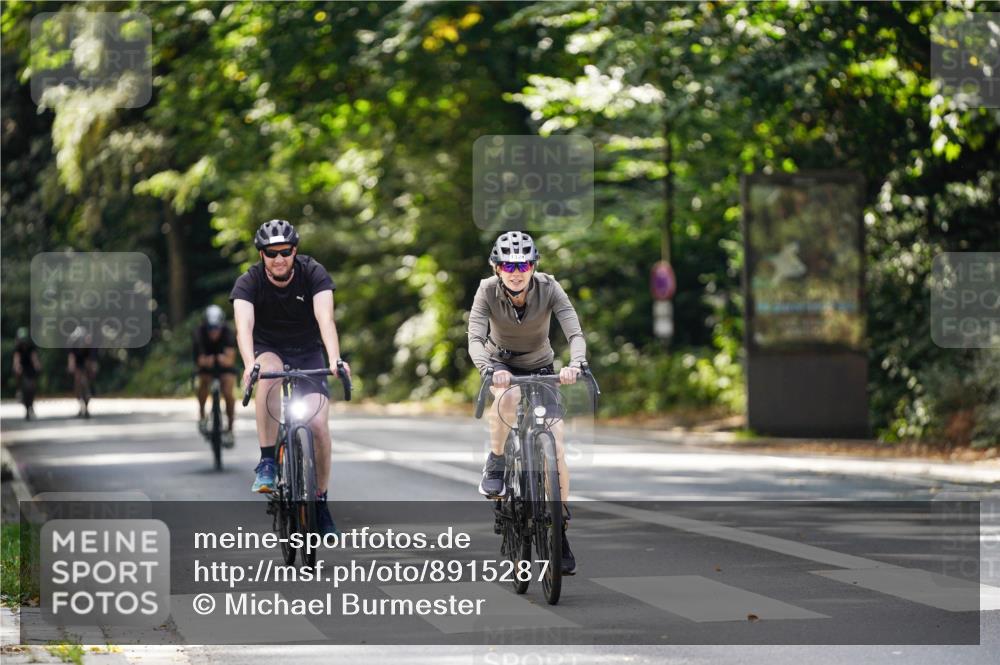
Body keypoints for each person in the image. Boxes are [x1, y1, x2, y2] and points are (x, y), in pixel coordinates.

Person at [467, 231, 587, 575]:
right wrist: (488, 369)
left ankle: (558, 529)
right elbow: (475, 338)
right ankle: (497, 462)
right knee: (510, 396)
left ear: (533, 266)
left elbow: (574, 333)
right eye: (508, 264)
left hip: (542, 365)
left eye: (523, 264)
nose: (516, 270)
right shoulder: (485, 290)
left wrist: (575, 364)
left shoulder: (550, 288)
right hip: (500, 365)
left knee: (557, 439)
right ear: (497, 268)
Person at [230, 219, 350, 536]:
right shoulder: (249, 282)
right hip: (269, 349)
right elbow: (243, 328)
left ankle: (320, 502)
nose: (279, 259)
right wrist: (248, 365)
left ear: (294, 251)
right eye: (271, 253)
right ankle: (268, 461)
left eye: (285, 252)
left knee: (318, 424)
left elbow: (326, 319)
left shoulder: (313, 273)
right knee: (267, 372)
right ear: (262, 256)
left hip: (308, 351)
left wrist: (335, 358)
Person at [193, 304, 238, 447]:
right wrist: (215, 359)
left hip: (224, 368)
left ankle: (230, 429)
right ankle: (202, 415)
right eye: (210, 328)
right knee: (203, 383)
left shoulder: (228, 332)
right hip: (207, 367)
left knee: (228, 392)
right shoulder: (199, 333)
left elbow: (230, 359)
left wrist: (215, 360)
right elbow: (200, 360)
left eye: (217, 328)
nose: (214, 332)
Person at [67, 326, 98, 419]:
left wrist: (93, 369)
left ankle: (87, 404)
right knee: (77, 383)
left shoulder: (90, 345)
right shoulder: (73, 343)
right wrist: (72, 367)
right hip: (78, 363)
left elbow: (92, 360)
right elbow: (71, 358)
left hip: (86, 361)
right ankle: (80, 403)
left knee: (87, 382)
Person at [12, 327, 41, 420]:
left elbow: (34, 358)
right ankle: (19, 390)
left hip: (30, 368)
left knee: (32, 386)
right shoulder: (17, 347)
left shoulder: (31, 346)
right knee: (20, 379)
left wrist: (37, 365)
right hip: (22, 368)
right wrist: (17, 367)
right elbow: (16, 359)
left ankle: (31, 405)